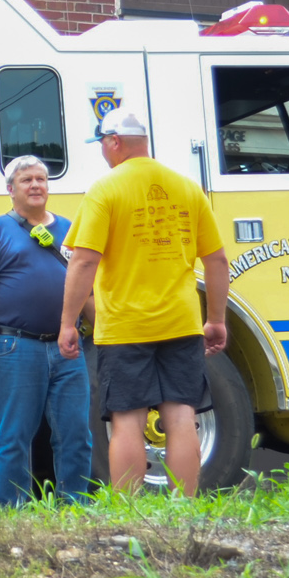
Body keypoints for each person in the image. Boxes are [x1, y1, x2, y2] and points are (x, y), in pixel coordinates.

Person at [56, 108, 229, 497]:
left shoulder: (106, 189)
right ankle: (185, 506)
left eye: (102, 143)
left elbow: (84, 260)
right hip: (181, 322)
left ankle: (130, 510)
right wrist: (215, 319)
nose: (102, 151)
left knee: (127, 420)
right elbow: (217, 260)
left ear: (114, 142)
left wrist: (68, 322)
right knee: (183, 417)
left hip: (124, 325)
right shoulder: (187, 188)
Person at [0, 155, 94, 505]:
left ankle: (75, 508)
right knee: (13, 436)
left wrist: (107, 333)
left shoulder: (70, 229)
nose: (36, 185)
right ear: (10, 190)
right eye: (26, 180)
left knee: (76, 434)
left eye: (41, 179)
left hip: (68, 348)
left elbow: (87, 292)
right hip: (16, 348)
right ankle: (7, 514)